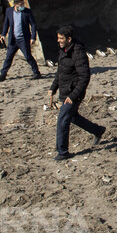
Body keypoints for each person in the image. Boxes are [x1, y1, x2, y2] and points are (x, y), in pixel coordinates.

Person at [48, 25, 106, 160]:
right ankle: (97, 130)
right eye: (58, 38)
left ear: (69, 39)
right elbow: (60, 72)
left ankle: (62, 152)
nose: (59, 41)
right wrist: (53, 88)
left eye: (61, 39)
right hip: (65, 91)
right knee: (73, 117)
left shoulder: (78, 53)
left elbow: (85, 77)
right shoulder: (64, 50)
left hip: (73, 94)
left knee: (63, 120)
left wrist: (73, 96)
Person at [0, 0, 42, 82]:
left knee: (28, 56)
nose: (23, 6)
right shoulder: (9, 11)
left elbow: (33, 25)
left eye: (23, 4)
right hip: (13, 39)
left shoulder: (27, 12)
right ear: (16, 5)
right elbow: (6, 23)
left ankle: (36, 73)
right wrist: (3, 34)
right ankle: (3, 74)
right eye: (21, 4)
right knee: (9, 57)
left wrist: (33, 37)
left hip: (23, 39)